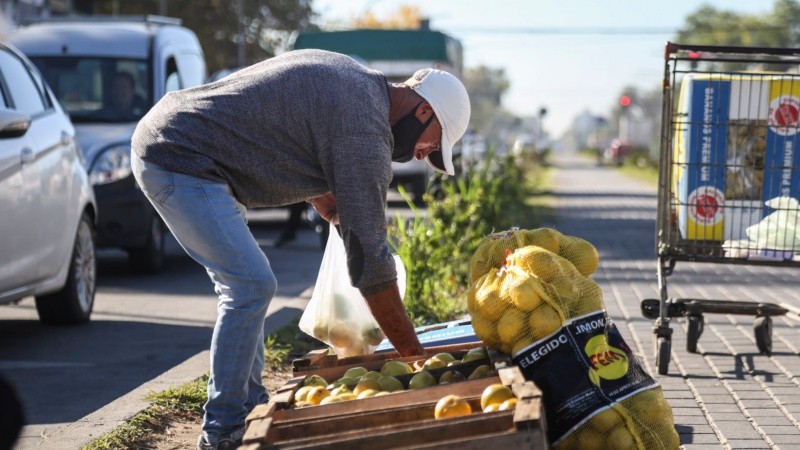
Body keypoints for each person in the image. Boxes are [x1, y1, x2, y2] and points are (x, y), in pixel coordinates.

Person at [130, 49, 470, 450]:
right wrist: (414, 355)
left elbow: (281, 118)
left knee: (249, 287)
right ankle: (222, 429)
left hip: (185, 142)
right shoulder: (364, 130)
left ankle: (251, 406)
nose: (423, 154)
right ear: (424, 113)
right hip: (179, 155)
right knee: (250, 286)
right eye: (432, 147)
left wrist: (318, 193)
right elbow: (371, 262)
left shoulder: (357, 82)